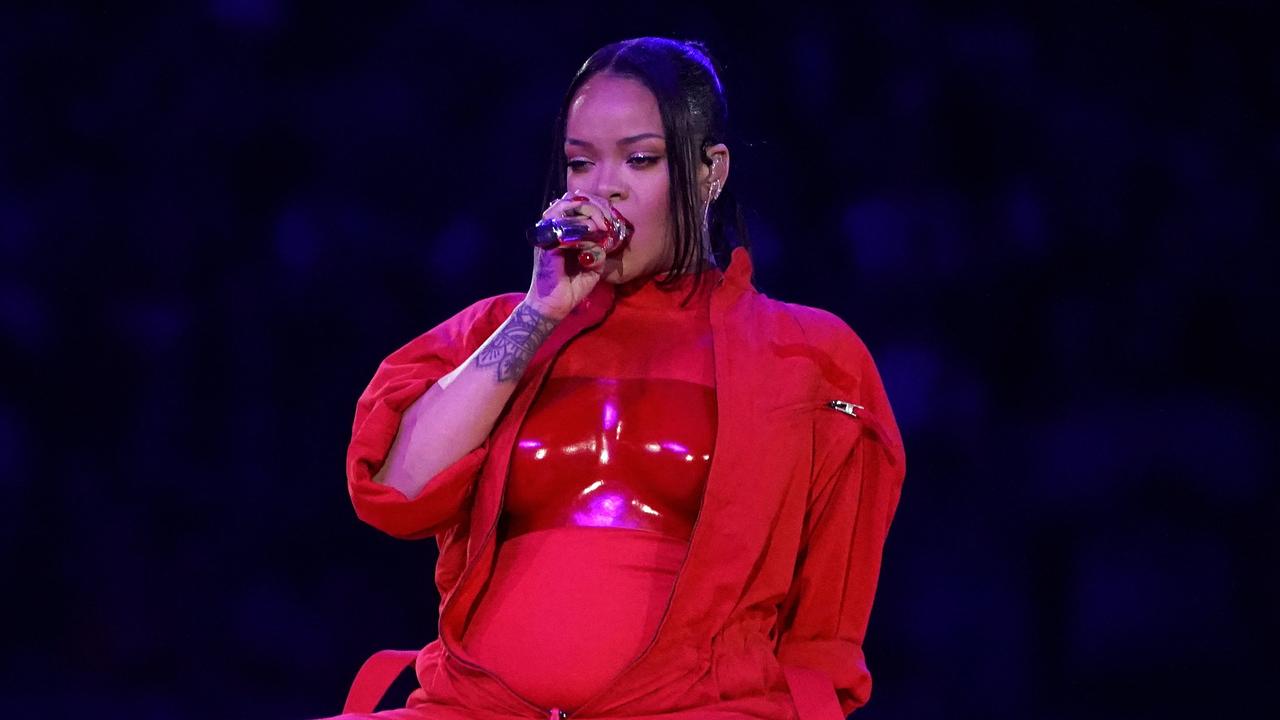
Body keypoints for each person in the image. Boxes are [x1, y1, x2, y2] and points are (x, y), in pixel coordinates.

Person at [327, 37, 905, 720]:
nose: (604, 187)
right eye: (580, 163)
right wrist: (539, 313)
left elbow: (825, 633)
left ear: (709, 171)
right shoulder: (499, 331)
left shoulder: (808, 356)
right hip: (475, 707)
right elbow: (397, 491)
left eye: (641, 159)